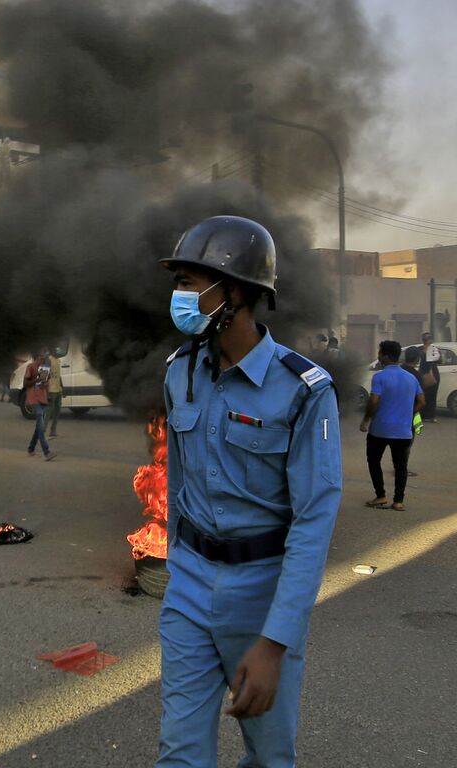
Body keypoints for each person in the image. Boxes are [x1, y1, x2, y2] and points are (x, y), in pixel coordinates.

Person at [155, 216, 341, 766]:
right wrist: (175, 565)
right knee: (180, 754)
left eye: (190, 284)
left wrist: (275, 641)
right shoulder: (179, 371)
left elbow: (313, 521)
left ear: (233, 292)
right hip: (188, 586)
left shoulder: (305, 391)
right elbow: (178, 478)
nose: (179, 296)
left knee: (269, 755)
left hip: (262, 595)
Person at [362, 340, 422, 510]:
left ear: (385, 356)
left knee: (374, 461)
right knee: (401, 466)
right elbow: (422, 401)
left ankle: (380, 495)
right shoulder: (410, 378)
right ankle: (398, 501)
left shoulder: (379, 376)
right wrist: (407, 414)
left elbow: (374, 400)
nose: (378, 356)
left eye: (380, 353)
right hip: (403, 431)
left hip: (380, 429)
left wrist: (366, 419)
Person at [22, 352, 55, 460]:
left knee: (38, 427)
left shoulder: (45, 368)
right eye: (41, 358)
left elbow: (46, 383)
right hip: (33, 399)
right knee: (41, 425)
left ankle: (31, 448)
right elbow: (25, 384)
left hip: (42, 399)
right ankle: (47, 451)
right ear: (36, 358)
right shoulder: (30, 367)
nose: (43, 360)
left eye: (44, 358)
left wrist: (48, 394)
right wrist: (37, 379)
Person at [416, 332, 441, 423]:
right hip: (431, 373)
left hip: (427, 373)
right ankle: (429, 416)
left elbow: (439, 360)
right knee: (425, 394)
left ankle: (430, 415)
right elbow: (440, 360)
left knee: (429, 394)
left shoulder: (428, 349)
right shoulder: (426, 349)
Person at [45, 349, 64, 438]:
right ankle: (42, 430)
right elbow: (42, 377)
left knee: (57, 411)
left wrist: (62, 387)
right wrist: (46, 392)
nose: (58, 351)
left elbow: (58, 376)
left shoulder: (58, 360)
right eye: (56, 349)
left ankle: (53, 431)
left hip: (58, 390)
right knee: (49, 412)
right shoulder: (48, 360)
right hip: (51, 390)